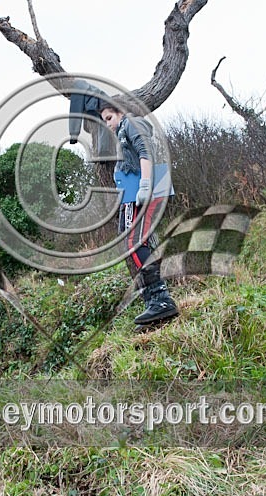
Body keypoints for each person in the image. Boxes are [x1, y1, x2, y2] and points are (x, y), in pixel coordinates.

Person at [99, 102, 178, 327]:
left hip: (142, 192)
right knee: (130, 240)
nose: (108, 125)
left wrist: (144, 185)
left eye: (109, 118)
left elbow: (145, 151)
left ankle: (161, 297)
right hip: (130, 195)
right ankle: (152, 298)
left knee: (135, 241)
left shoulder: (132, 124)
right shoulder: (122, 133)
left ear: (120, 112)